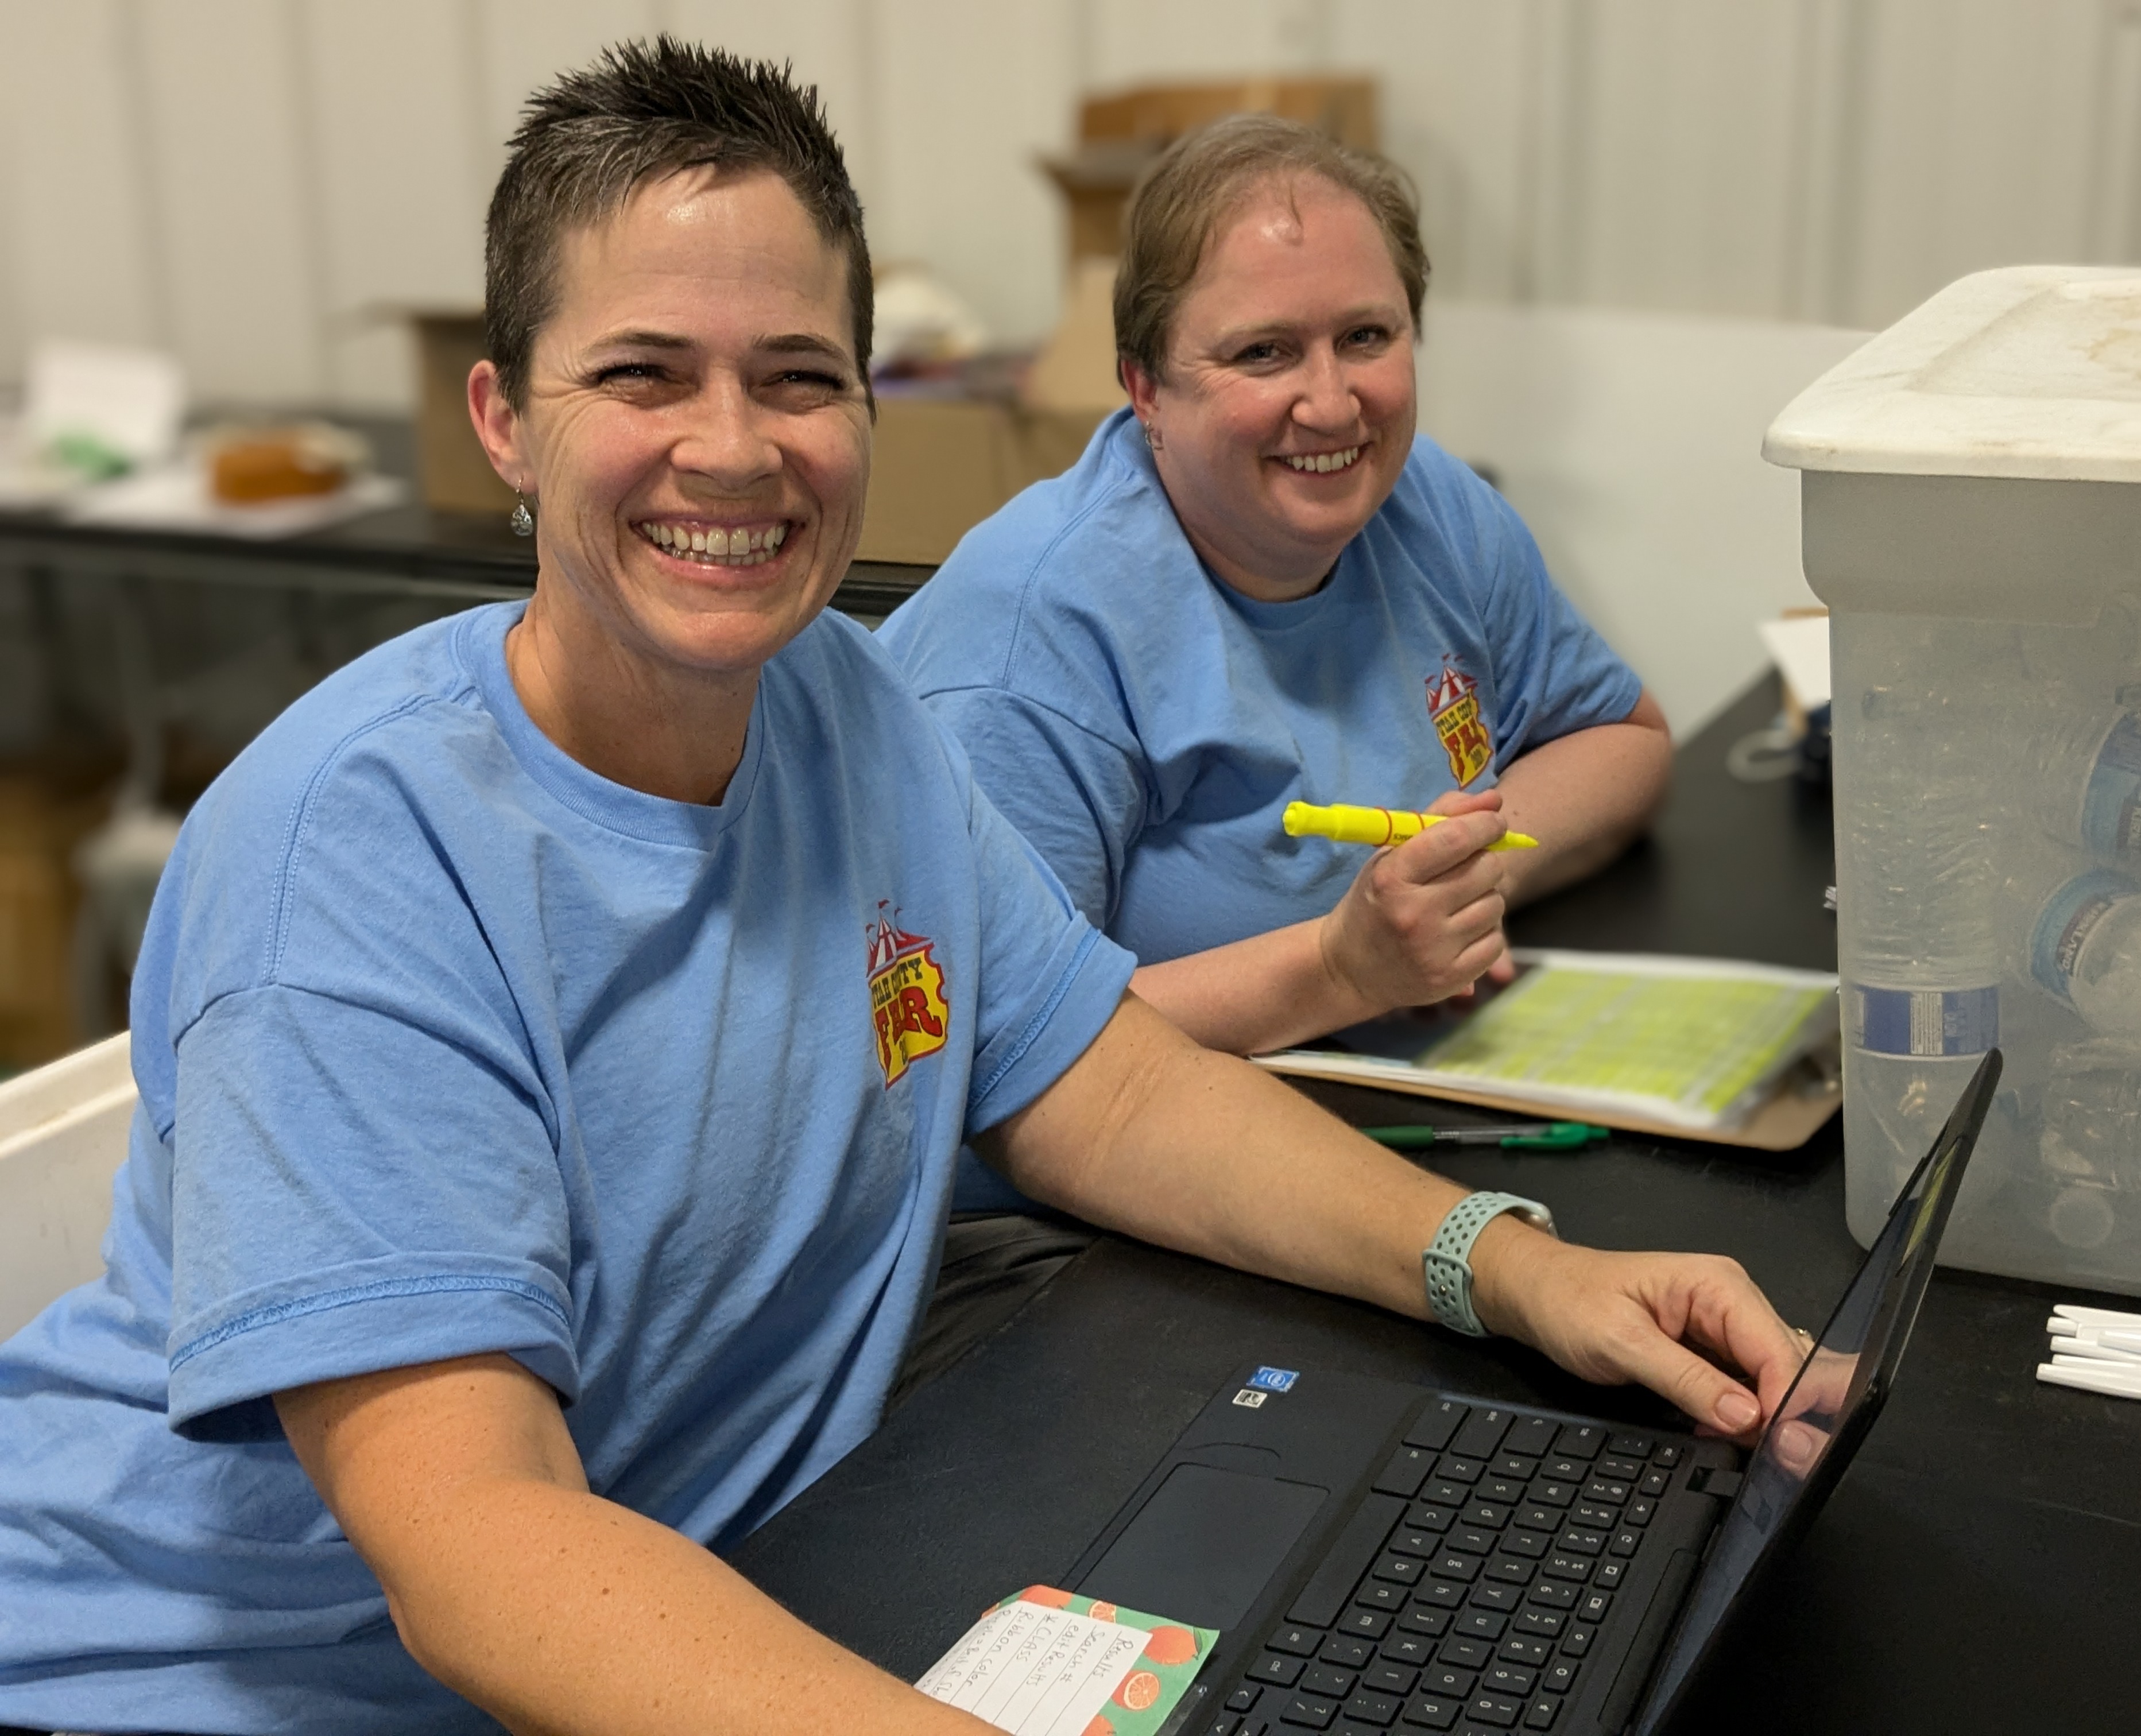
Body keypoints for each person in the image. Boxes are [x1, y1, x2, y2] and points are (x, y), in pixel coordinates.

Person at [0, 41, 1801, 1736]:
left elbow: (1100, 1082)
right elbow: (479, 1551)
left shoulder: (844, 707)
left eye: (797, 377)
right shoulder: (363, 860)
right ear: (501, 417)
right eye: (643, 376)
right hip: (230, 1687)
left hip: (741, 1569)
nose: (734, 447)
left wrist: (1505, 1268)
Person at [880, 117, 1674, 1068]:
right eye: (1264, 353)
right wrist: (1339, 970)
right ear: (1145, 389)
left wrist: (1464, 882)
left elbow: (1623, 739)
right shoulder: (1030, 640)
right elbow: (974, 1045)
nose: (1334, 404)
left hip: (1363, 1076)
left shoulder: (1436, 507)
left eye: (1367, 336)